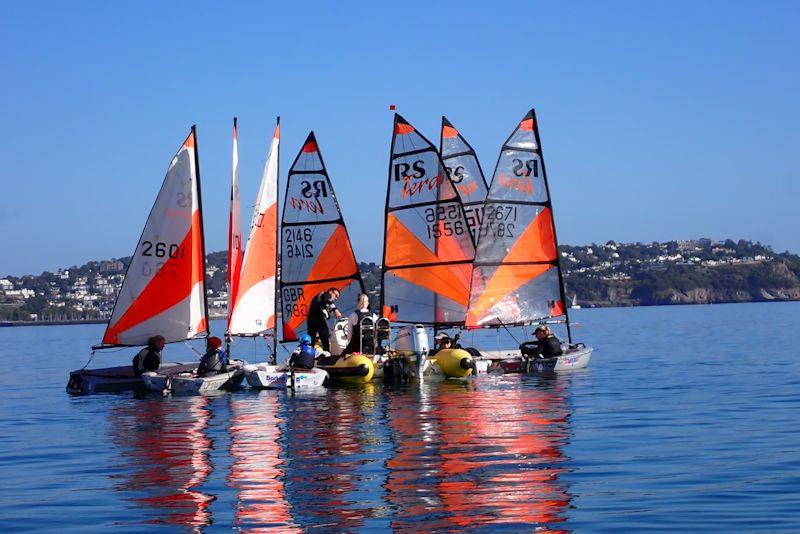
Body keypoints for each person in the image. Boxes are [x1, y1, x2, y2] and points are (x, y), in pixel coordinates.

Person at [307, 287, 342, 352]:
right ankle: (327, 353)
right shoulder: (326, 294)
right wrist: (336, 310)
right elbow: (328, 300)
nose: (336, 298)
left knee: (311, 339)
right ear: (331, 292)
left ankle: (309, 354)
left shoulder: (323, 300)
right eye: (336, 296)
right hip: (317, 318)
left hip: (311, 320)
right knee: (324, 337)